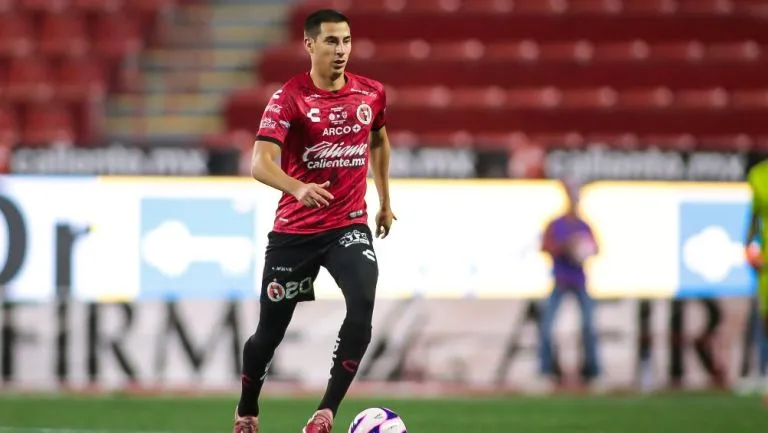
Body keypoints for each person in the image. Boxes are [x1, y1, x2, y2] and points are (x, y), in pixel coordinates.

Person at [233, 9, 396, 433]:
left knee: (362, 304)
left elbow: (379, 140)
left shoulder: (371, 94)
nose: (341, 50)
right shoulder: (289, 97)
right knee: (268, 334)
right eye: (331, 41)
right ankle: (247, 408)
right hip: (296, 233)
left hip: (348, 225)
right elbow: (259, 163)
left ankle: (326, 414)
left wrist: (384, 201)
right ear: (309, 44)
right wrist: (297, 187)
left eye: (345, 41)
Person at [538, 179, 601, 388]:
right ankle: (547, 370)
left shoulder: (584, 225)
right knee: (547, 326)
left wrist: (582, 250)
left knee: (589, 326)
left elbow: (596, 249)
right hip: (560, 279)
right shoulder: (556, 224)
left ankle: (591, 370)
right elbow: (545, 246)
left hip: (579, 280)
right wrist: (566, 247)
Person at [745, 158, 767, 400]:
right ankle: (764, 374)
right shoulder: (759, 174)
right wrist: (749, 246)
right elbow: (753, 217)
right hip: (766, 265)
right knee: (765, 320)